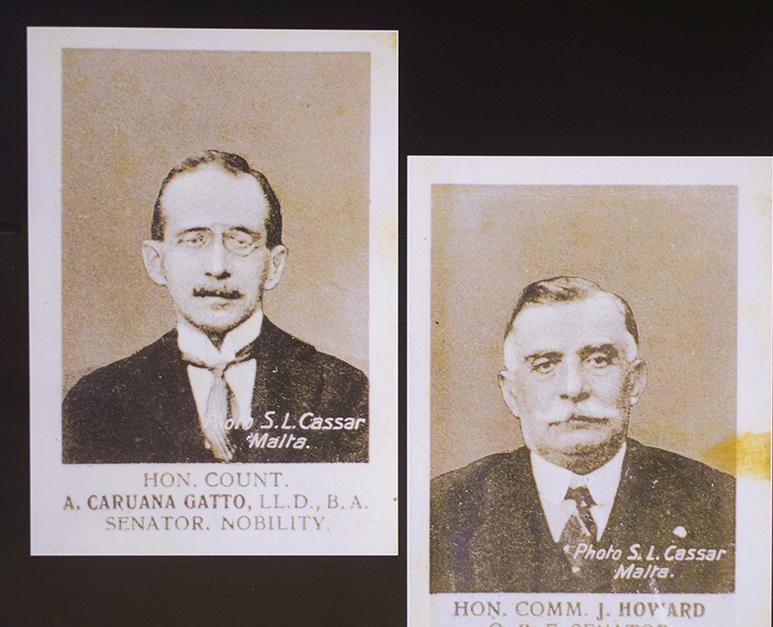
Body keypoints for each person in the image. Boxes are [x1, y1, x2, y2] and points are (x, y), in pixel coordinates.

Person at [431, 277, 735, 593]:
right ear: (511, 394)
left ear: (634, 382)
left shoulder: (722, 505)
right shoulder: (441, 510)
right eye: (545, 365)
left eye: (598, 361)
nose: (574, 388)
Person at [63, 150, 368, 464]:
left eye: (240, 240)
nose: (217, 266)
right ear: (157, 262)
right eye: (194, 240)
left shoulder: (342, 392)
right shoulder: (99, 400)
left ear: (274, 265)